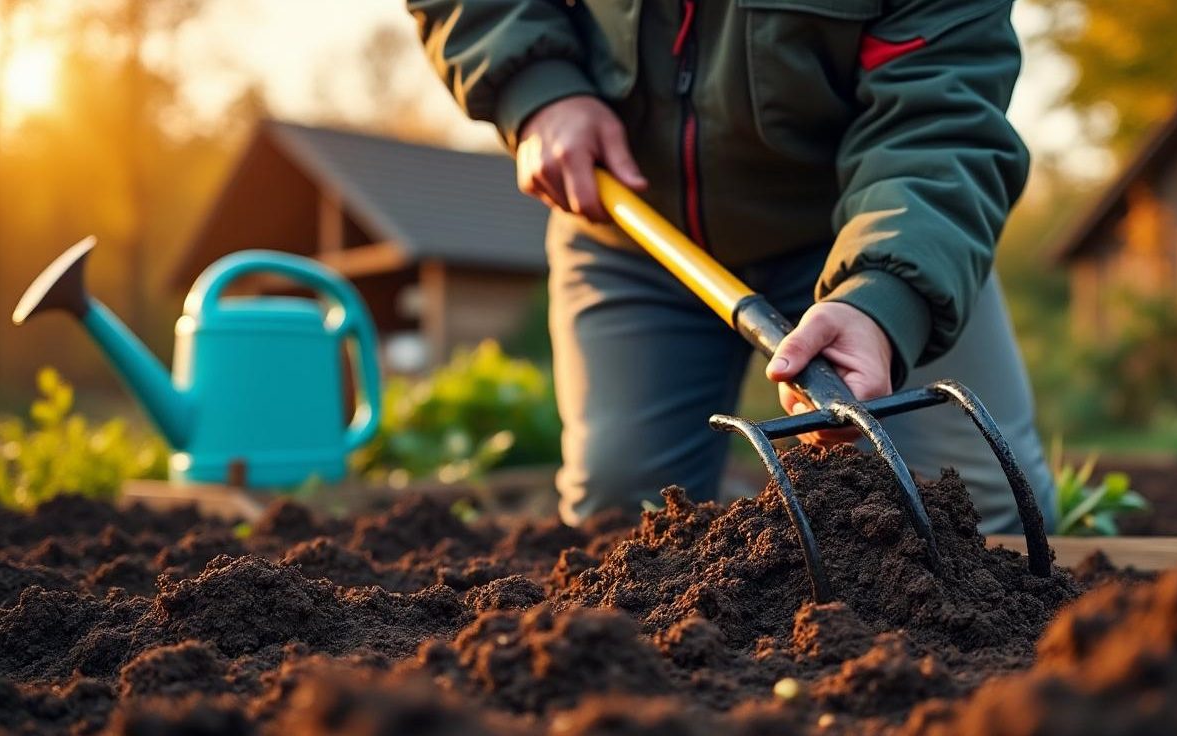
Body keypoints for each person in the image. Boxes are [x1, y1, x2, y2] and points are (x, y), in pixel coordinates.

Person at [409, 0, 1056, 534]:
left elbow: (942, 115)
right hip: (636, 230)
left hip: (863, 229)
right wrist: (540, 88)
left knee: (987, 512)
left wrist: (885, 297)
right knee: (620, 520)